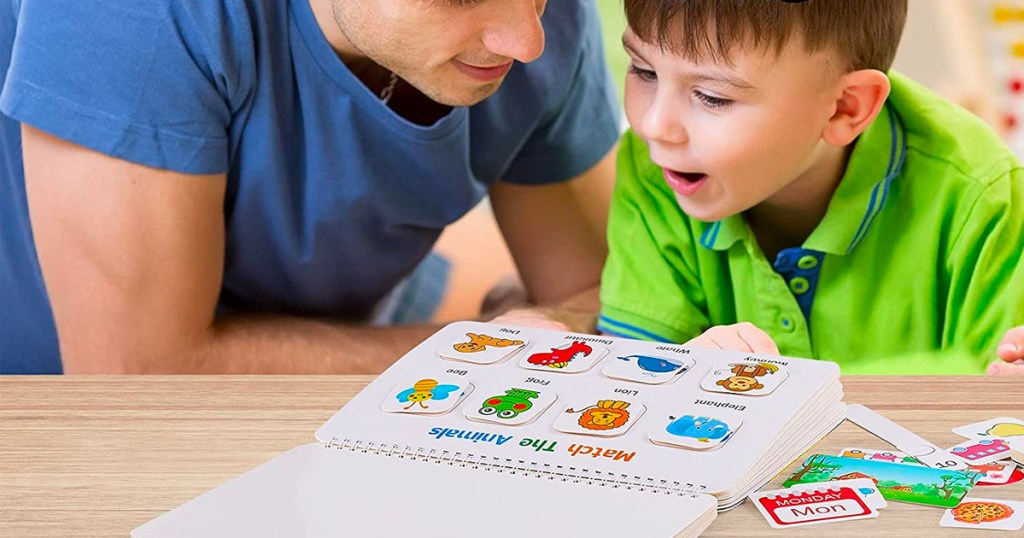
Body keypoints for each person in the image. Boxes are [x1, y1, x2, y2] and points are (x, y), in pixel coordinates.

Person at [0, 0, 621, 374]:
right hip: (48, 397)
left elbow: (597, 302)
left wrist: (522, 331)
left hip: (354, 319)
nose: (526, 43)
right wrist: (472, 347)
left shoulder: (547, 24)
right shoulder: (130, 15)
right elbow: (140, 373)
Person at [596, 0, 1024, 373]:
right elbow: (631, 382)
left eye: (712, 96)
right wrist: (680, 372)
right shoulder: (658, 167)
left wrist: (779, 391)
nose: (654, 125)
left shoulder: (982, 194)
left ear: (845, 109)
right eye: (644, 70)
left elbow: (992, 400)